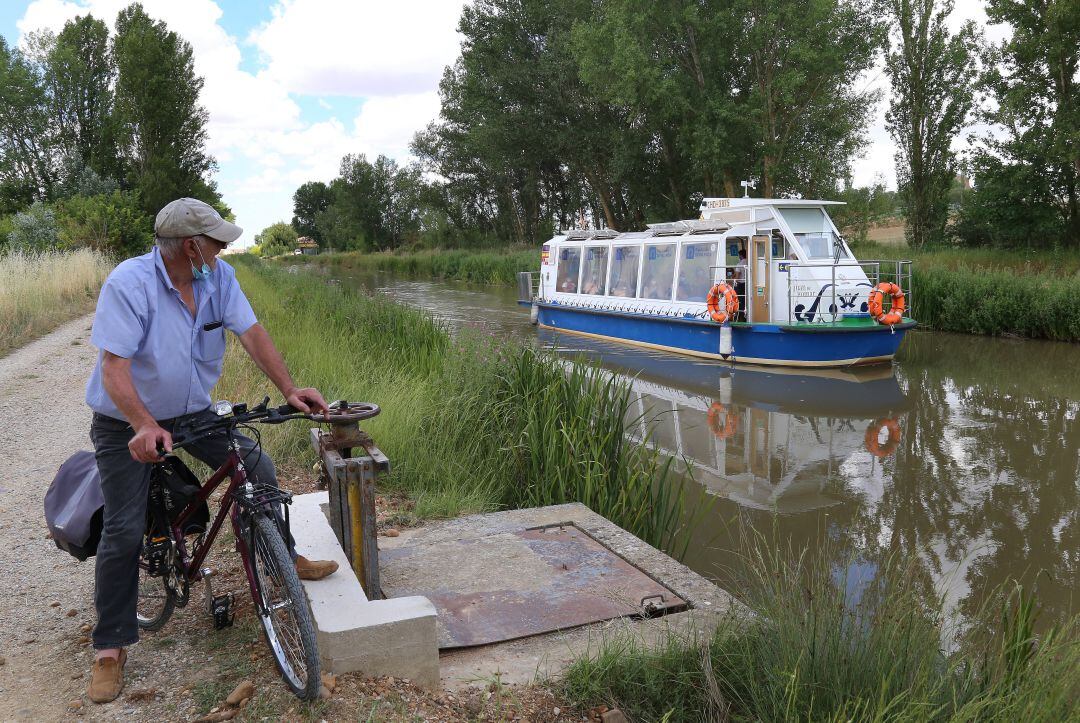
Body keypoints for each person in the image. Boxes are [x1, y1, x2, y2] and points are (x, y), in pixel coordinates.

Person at [84, 198, 339, 704]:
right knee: (125, 526)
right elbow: (114, 368)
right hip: (127, 422)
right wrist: (141, 424)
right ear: (191, 245)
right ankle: (110, 646)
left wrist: (289, 388)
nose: (225, 247)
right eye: (217, 240)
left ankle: (282, 555)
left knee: (257, 466)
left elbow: (252, 333)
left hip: (194, 412)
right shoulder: (130, 283)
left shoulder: (218, 278)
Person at [733, 249, 748, 321]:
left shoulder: (739, 264)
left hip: (741, 285)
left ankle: (739, 315)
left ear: (741, 255)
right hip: (747, 284)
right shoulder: (749, 262)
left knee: (739, 300)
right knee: (746, 300)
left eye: (739, 255)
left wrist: (733, 278)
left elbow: (737, 277)